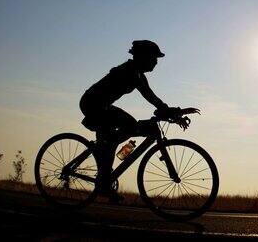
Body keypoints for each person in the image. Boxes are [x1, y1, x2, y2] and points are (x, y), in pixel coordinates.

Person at [79, 40, 200, 203]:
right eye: (154, 58)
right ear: (143, 57)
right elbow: (150, 98)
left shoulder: (138, 74)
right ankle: (104, 177)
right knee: (128, 128)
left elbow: (154, 98)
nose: (156, 62)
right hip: (92, 104)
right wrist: (175, 112)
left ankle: (111, 159)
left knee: (129, 129)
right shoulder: (130, 72)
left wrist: (174, 113)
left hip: (104, 106)